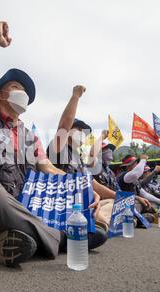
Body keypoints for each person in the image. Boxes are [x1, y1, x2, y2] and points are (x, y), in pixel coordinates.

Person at [0, 21, 104, 268]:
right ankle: (62, 238)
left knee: (30, 212)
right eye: (17, 87)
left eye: (26, 93)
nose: (23, 94)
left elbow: (50, 170)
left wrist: (82, 187)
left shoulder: (30, 137)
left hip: (16, 211)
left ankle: (1, 242)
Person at [46, 87, 116, 232]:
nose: (82, 134)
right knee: (104, 208)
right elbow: (63, 126)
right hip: (64, 203)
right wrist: (75, 96)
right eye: (78, 129)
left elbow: (93, 184)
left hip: (83, 202)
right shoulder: (58, 148)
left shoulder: (80, 159)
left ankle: (101, 222)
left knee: (114, 202)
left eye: (84, 133)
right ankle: (99, 224)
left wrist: (125, 197)